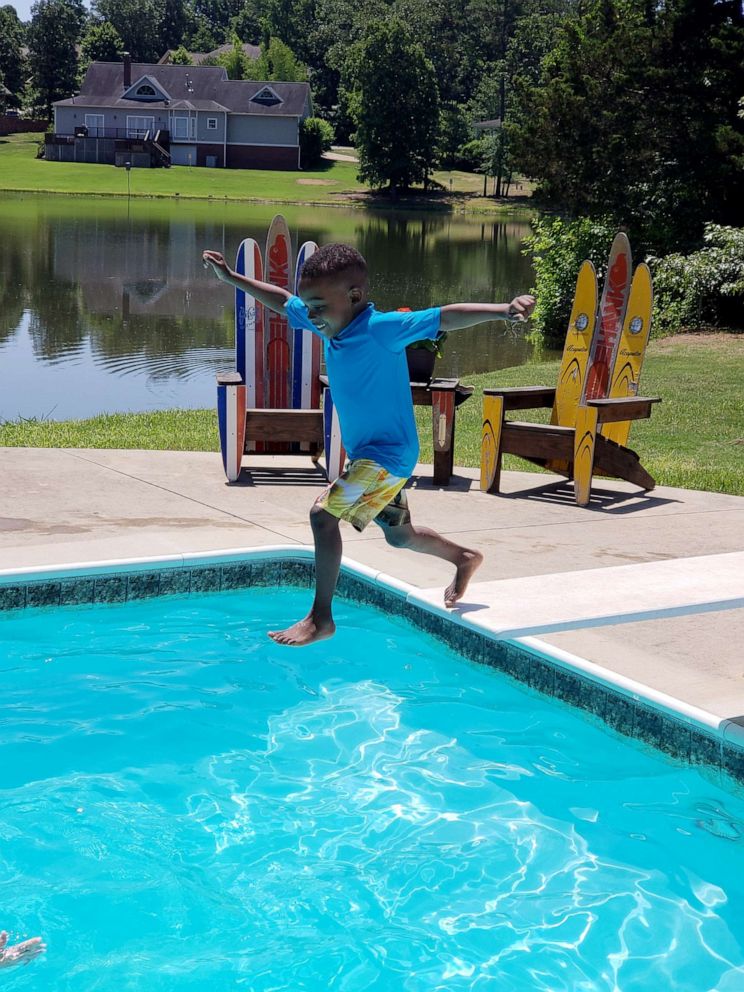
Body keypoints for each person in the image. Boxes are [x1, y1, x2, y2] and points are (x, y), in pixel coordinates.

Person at [202, 242, 535, 647]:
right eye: (310, 306)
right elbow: (284, 301)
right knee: (400, 535)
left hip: (388, 455)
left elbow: (445, 316)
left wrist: (504, 309)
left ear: (355, 296)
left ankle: (320, 618)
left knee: (324, 515)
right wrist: (232, 278)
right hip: (370, 457)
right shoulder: (326, 319)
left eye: (319, 306)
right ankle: (464, 558)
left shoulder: (382, 329)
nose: (310, 315)